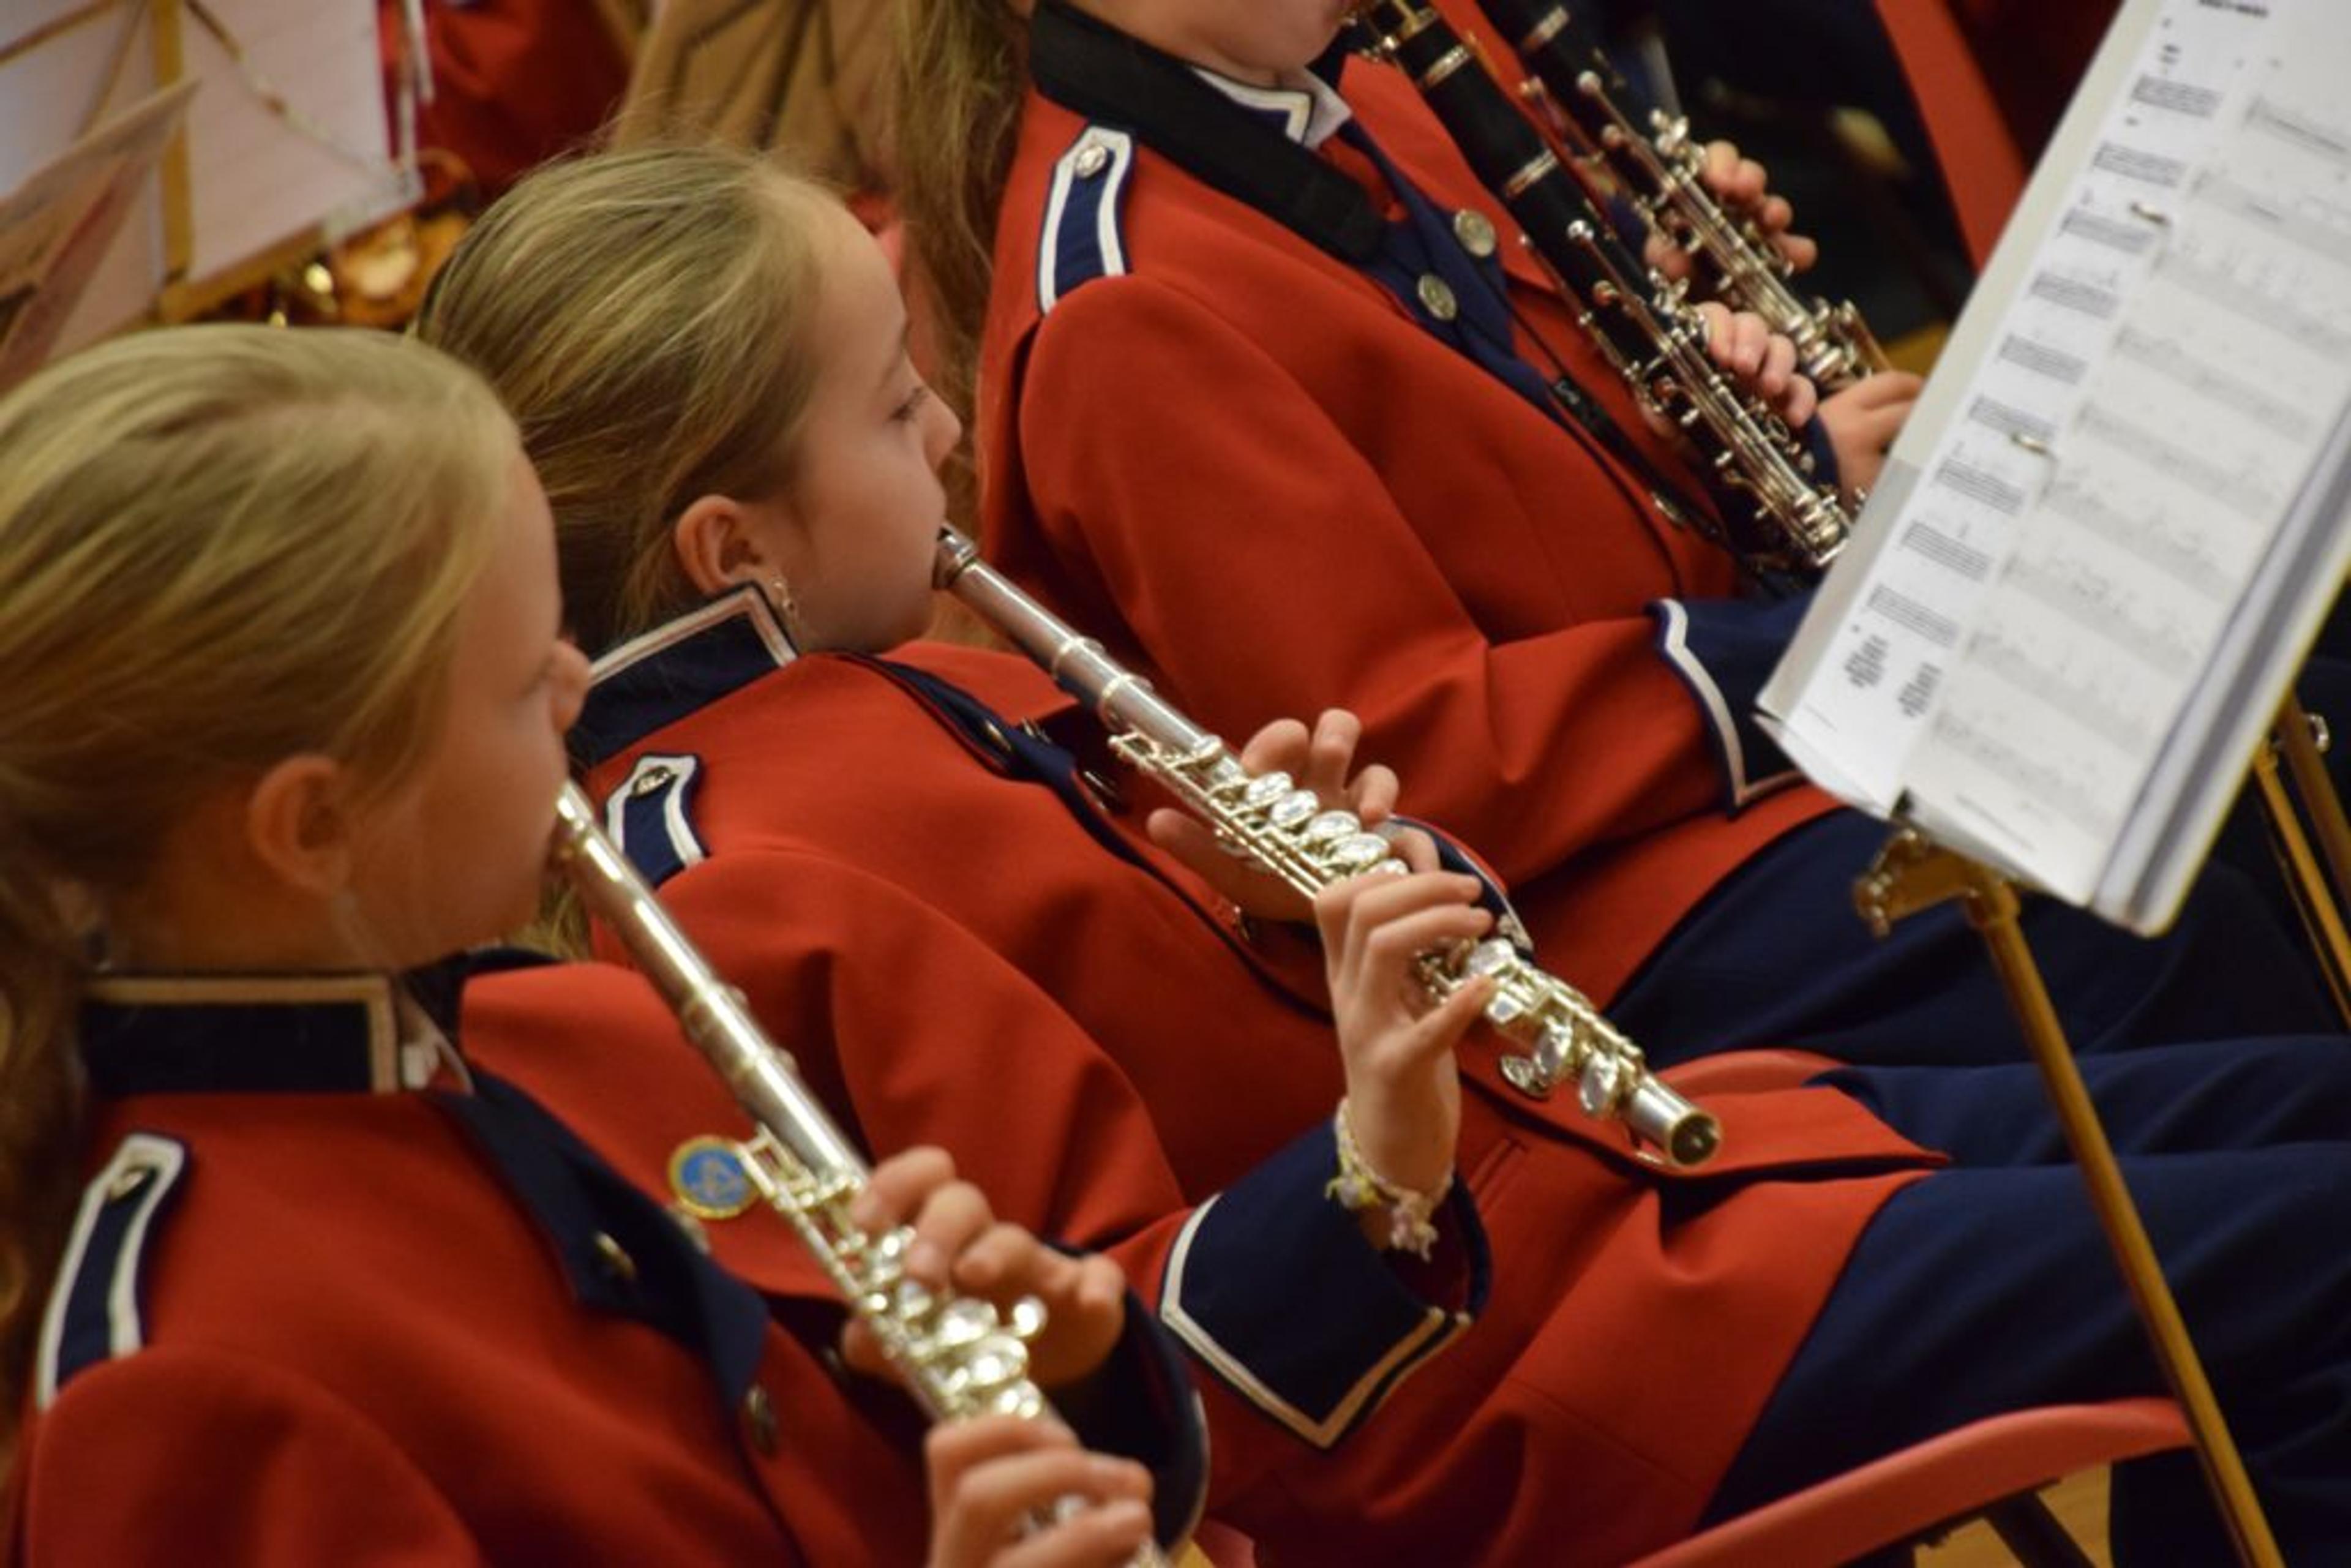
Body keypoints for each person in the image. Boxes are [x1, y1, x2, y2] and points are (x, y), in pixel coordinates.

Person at [416, 143, 2351, 1564]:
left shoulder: (907, 685)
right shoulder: (734, 876)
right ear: (734, 548)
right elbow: (1130, 1377)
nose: (949, 443)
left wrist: (1330, 886)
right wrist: (1367, 1152)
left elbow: (1301, 1003)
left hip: (1636, 1195)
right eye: (901, 408)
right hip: (1514, 1398)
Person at [891, 0, 2341, 1072]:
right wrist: (1822, 639)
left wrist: (1744, 402)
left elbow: (1551, 471)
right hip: (1591, 928)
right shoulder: (1124, 309)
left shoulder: (1353, 86)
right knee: (2166, 923)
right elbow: (1418, 758)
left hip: (1709, 773)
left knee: (2268, 700)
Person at [0, 323, 1205, 1566]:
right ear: (313, 826)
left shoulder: (577, 1034)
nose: (582, 691)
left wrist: (1073, 1379)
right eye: (528, 681)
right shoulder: (178, 1382)